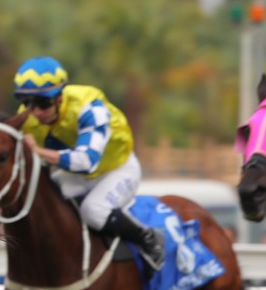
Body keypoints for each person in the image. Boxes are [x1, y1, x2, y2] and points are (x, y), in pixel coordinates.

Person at [13, 56, 165, 269]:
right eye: (27, 103)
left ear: (60, 97)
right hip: (76, 174)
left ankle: (148, 238)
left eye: (43, 103)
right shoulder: (26, 117)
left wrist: (36, 151)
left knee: (93, 211)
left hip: (116, 169)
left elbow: (86, 161)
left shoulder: (89, 107)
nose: (36, 112)